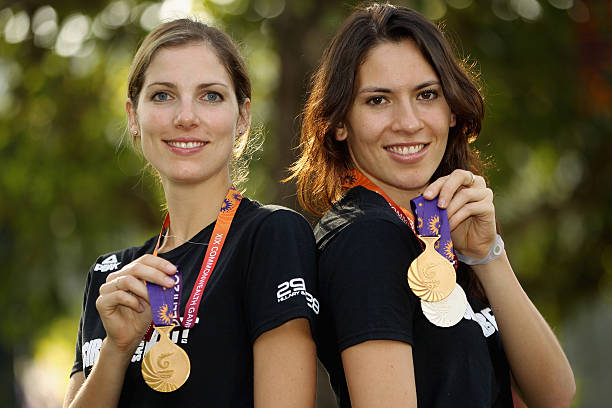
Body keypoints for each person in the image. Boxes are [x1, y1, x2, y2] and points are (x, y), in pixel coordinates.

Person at [289, 3, 575, 407]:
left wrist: (487, 254)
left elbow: (555, 394)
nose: (408, 122)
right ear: (338, 123)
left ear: (452, 110)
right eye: (378, 100)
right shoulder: (366, 238)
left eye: (426, 95)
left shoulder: (436, 229)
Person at [64, 18, 318, 407]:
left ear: (243, 118)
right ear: (134, 116)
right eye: (163, 95)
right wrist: (118, 347)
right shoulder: (111, 277)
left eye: (210, 96)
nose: (185, 117)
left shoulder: (269, 236)